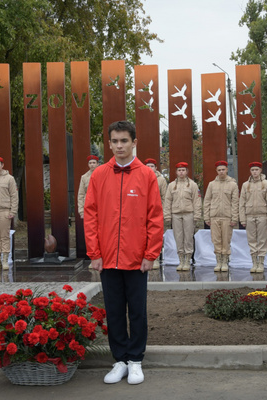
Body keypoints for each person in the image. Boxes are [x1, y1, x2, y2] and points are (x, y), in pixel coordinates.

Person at [84, 120, 163, 385]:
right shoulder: (99, 175)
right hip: (107, 258)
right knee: (114, 310)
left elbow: (155, 217)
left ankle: (136, 360)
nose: (119, 146)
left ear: (134, 142)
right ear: (109, 143)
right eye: (115, 141)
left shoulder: (147, 175)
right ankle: (119, 360)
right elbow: (91, 215)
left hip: (137, 259)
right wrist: (94, 252)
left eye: (124, 141)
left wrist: (151, 254)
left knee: (137, 311)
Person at [163, 162, 202, 271]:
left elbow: (197, 201)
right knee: (178, 237)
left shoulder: (192, 185)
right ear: (176, 172)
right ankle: (181, 260)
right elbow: (167, 201)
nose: (181, 172)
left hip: (189, 213)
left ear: (187, 172)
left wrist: (197, 215)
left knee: (188, 237)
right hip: (176, 214)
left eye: (183, 170)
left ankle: (187, 260)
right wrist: (167, 216)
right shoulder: (171, 185)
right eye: (179, 170)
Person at [239, 161, 267, 273]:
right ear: (250, 171)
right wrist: (242, 219)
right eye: (253, 170)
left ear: (260, 170)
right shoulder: (245, 185)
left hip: (262, 215)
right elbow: (241, 203)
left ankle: (261, 262)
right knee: (251, 239)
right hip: (249, 216)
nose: (255, 172)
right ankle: (254, 262)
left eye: (257, 170)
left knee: (262, 240)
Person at [203, 160, 239, 272]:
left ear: (227, 170)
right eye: (219, 170)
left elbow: (235, 203)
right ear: (216, 171)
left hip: (227, 217)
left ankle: (225, 262)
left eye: (223, 169)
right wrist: (206, 217)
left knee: (226, 240)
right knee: (216, 240)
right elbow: (207, 201)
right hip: (214, 216)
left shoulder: (233, 184)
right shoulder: (211, 184)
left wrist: (234, 218)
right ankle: (218, 261)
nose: (221, 172)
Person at [145, 158, 168, 269]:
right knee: (144, 236)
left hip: (156, 212)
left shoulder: (161, 180)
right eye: (148, 166)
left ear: (156, 168)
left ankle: (156, 259)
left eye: (152, 166)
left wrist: (162, 211)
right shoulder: (141, 177)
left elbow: (164, 197)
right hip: (143, 212)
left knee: (156, 235)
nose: (150, 168)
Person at [76, 155, 99, 220]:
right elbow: (81, 195)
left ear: (97, 164)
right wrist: (81, 212)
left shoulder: (103, 175)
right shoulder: (84, 177)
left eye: (94, 163)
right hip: (89, 206)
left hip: (101, 205)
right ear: (88, 164)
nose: (92, 165)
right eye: (90, 163)